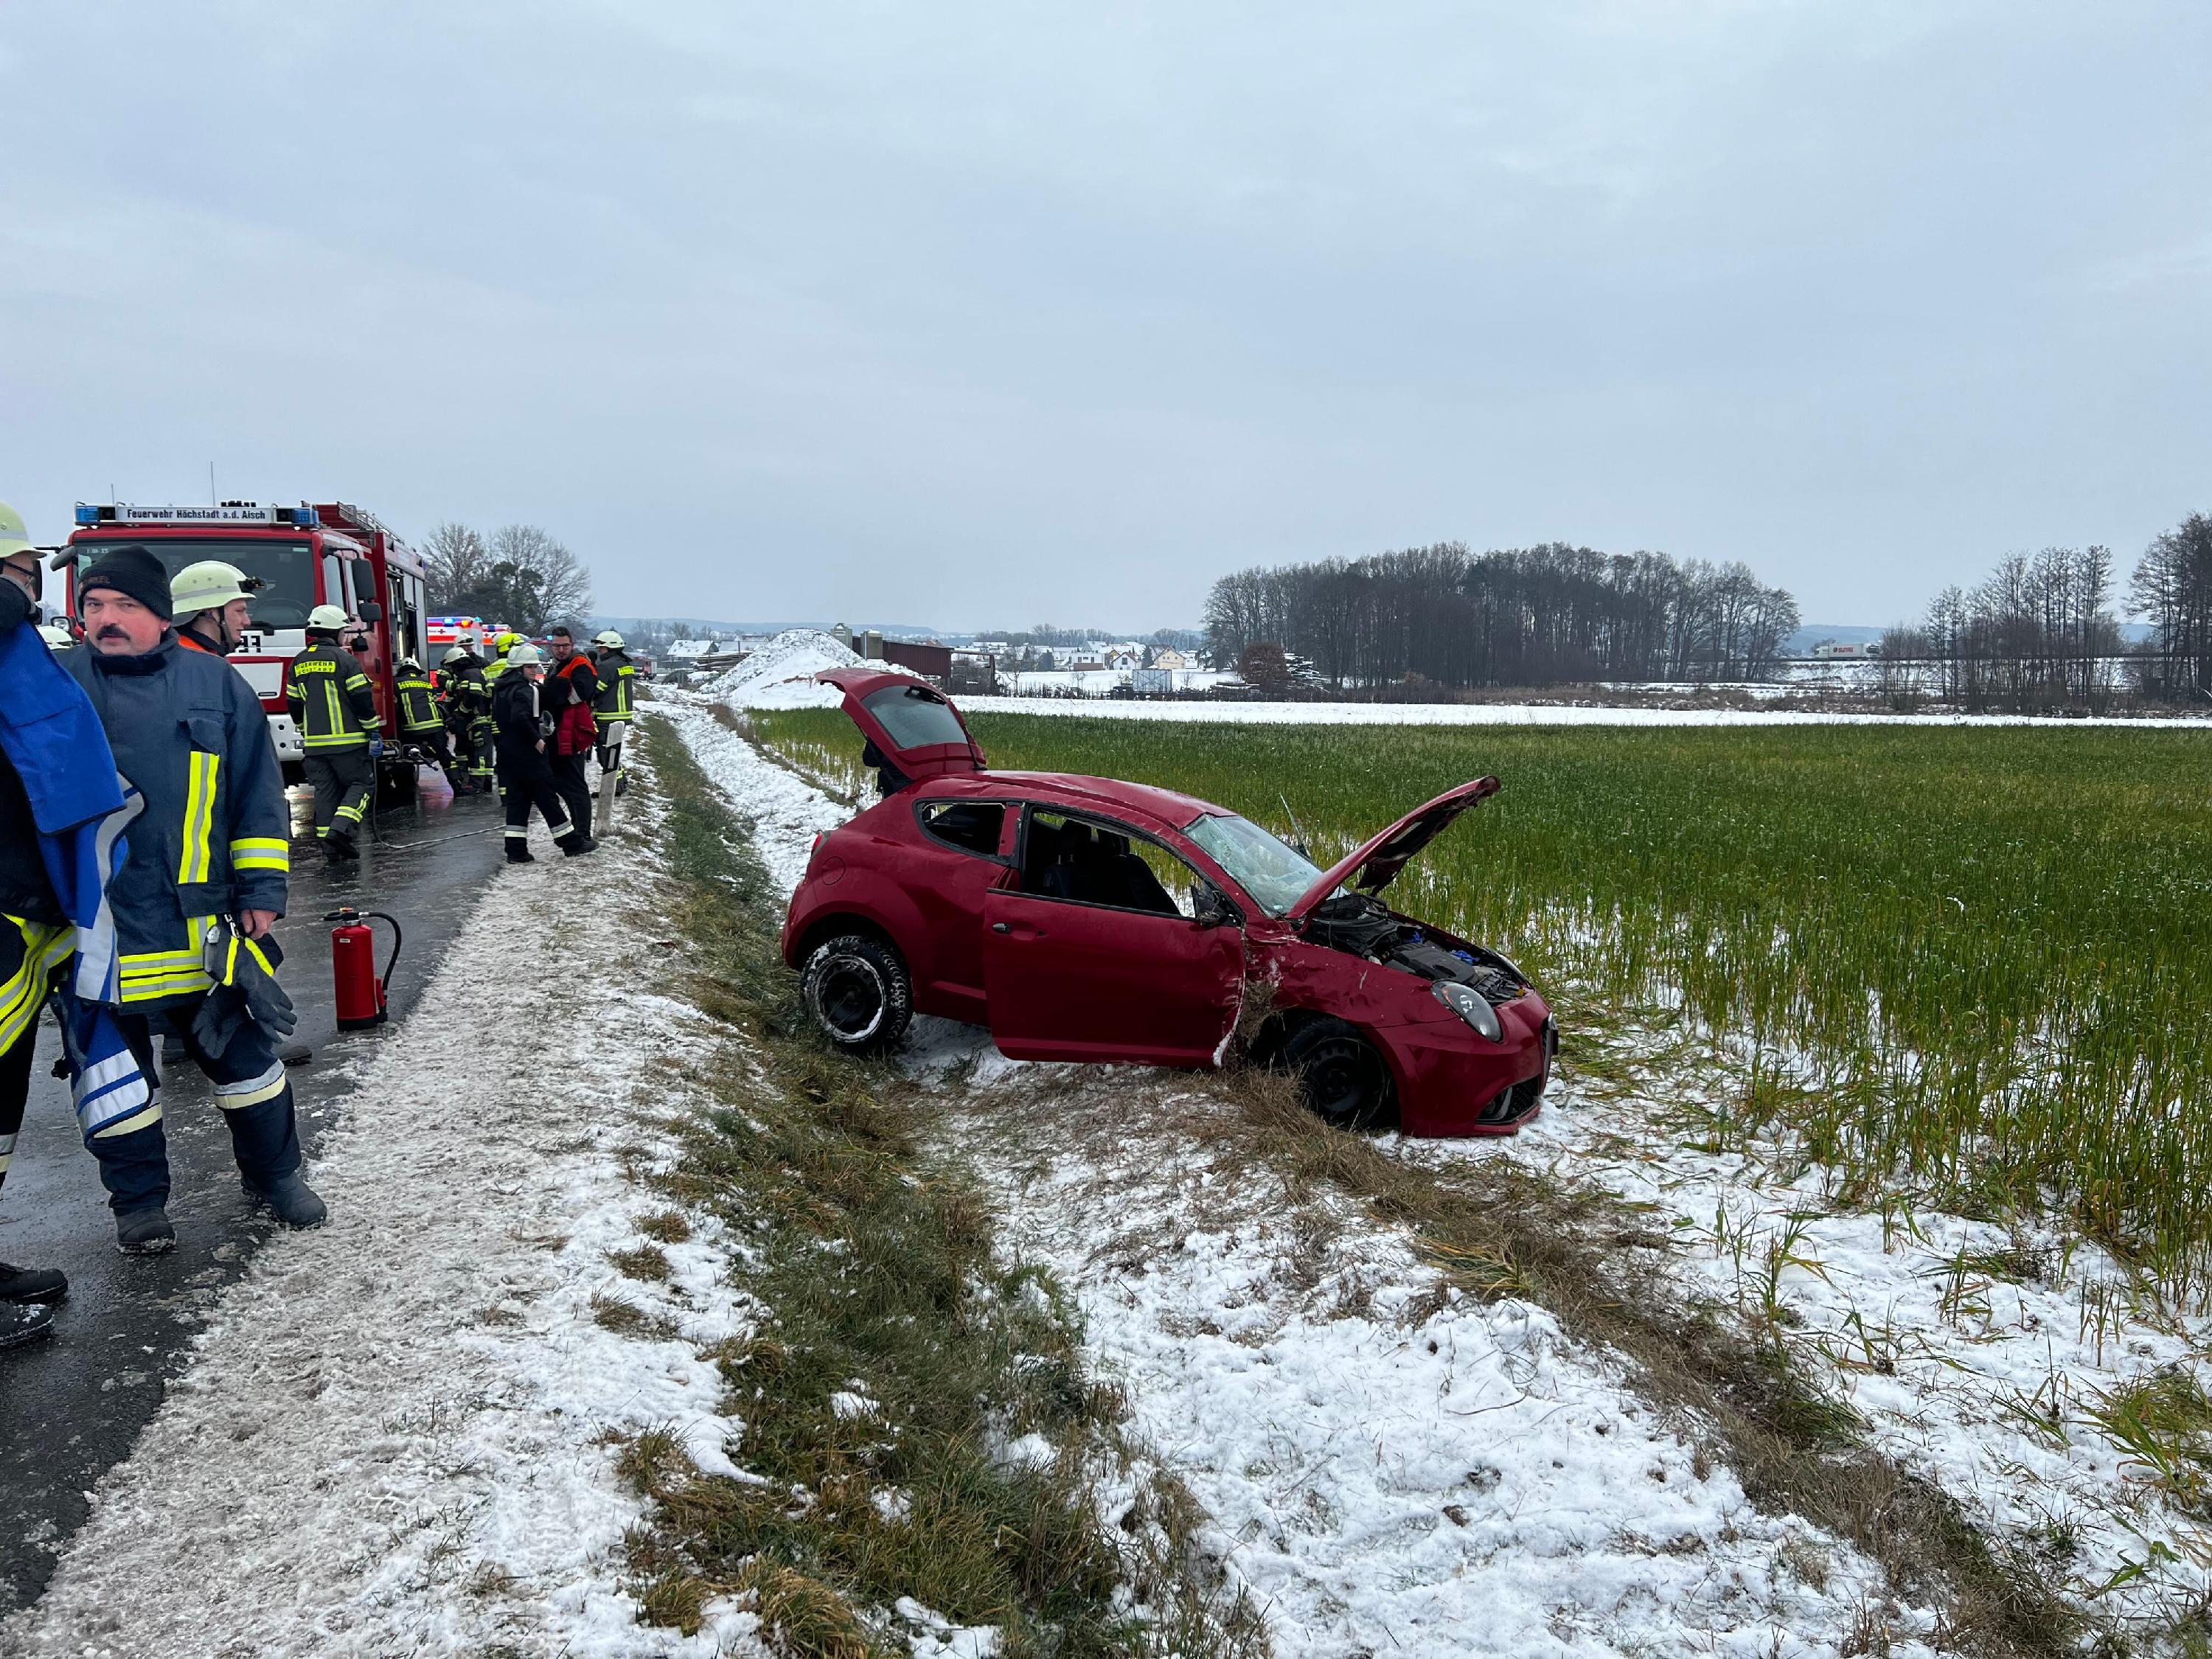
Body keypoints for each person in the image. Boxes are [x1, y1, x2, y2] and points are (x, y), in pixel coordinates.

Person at [61, 545, 323, 1250]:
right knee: (115, 1084)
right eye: (94, 606)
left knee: (247, 1065)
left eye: (125, 607)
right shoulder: (58, 688)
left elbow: (257, 800)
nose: (106, 620)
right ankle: (139, 1207)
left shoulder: (216, 685)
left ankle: (276, 1177)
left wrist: (263, 892)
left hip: (202, 920)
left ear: (159, 614)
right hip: (96, 929)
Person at [285, 603, 380, 860]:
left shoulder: (299, 662)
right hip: (348, 743)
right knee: (361, 785)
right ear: (335, 631)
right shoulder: (344, 659)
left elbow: (294, 703)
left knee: (326, 794)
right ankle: (340, 830)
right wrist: (373, 730)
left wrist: (306, 730)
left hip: (315, 747)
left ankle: (330, 850)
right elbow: (361, 698)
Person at [490, 643, 592, 863]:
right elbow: (520, 717)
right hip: (529, 756)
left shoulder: (501, 687)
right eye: (529, 667)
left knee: (518, 802)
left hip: (509, 755)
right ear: (518, 668)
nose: (534, 670)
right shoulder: (526, 689)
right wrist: (537, 739)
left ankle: (516, 851)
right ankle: (571, 843)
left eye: (535, 666)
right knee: (548, 800)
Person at [543, 626, 601, 838]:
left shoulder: (580, 664)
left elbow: (581, 693)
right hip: (559, 732)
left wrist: (555, 696)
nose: (560, 650)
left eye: (565, 646)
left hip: (573, 732)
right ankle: (577, 827)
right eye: (557, 646)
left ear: (572, 645)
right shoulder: (558, 665)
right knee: (562, 782)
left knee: (575, 785)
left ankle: (583, 832)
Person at [394, 655, 464, 792]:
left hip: (411, 729)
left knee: (405, 757)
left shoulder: (395, 683)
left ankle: (406, 788)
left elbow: (395, 706)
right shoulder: (426, 683)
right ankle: (458, 787)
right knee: (445, 755)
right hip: (435, 727)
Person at [170, 560, 264, 658]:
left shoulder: (185, 654)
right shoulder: (196, 660)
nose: (247, 622)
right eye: (239, 611)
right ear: (209, 612)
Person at [437, 640, 495, 793]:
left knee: (479, 754)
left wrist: (460, 712)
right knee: (482, 753)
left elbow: (474, 696)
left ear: (457, 664)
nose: (452, 670)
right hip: (479, 721)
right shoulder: (472, 672)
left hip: (478, 721)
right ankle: (484, 783)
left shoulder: (469, 673)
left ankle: (476, 785)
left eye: (452, 667)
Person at [589, 630, 636, 801]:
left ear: (609, 649)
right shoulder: (624, 664)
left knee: (605, 752)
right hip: (621, 714)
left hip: (608, 715)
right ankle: (620, 783)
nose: (600, 651)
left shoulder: (607, 666)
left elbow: (595, 690)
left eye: (601, 648)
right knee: (612, 751)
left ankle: (613, 787)